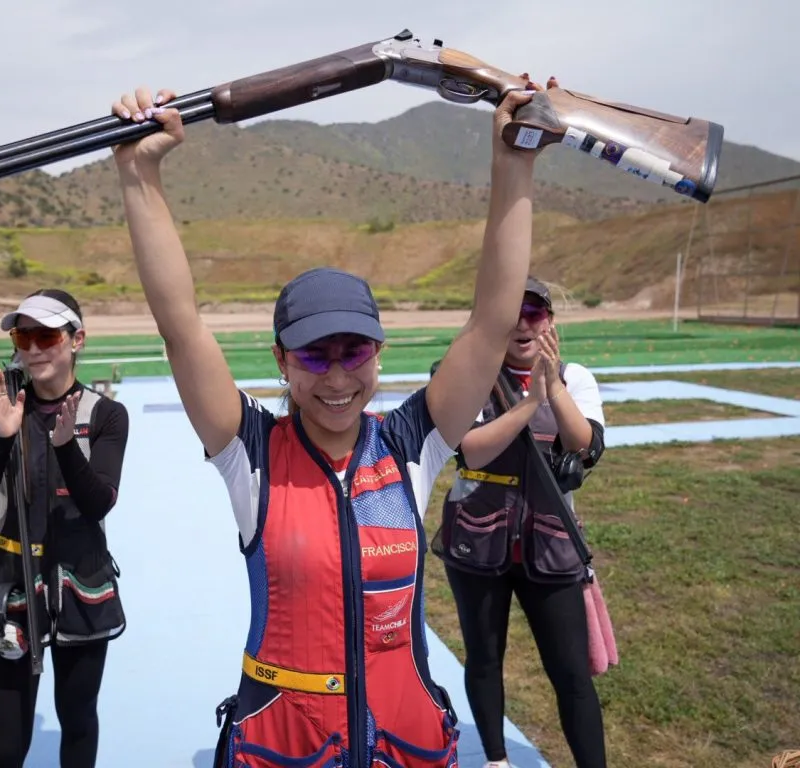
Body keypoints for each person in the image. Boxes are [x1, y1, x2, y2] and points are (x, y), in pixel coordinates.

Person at [110, 75, 552, 768]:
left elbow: (492, 324)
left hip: (404, 746)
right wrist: (140, 174)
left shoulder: (412, 443)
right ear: (282, 361)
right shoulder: (251, 454)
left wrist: (514, 159)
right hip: (287, 751)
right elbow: (181, 327)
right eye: (315, 356)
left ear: (379, 352)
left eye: (355, 352)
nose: (339, 378)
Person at [431, 277, 608, 768]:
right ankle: (495, 759)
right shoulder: (468, 375)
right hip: (476, 541)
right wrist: (532, 403)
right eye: (512, 313)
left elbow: (585, 447)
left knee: (572, 673)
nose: (523, 324)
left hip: (550, 544)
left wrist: (553, 388)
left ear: (550, 321)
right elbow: (471, 449)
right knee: (484, 658)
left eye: (534, 313)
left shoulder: (575, 377)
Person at [0, 288, 130, 768]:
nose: (33, 348)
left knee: (78, 719)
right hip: (9, 585)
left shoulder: (106, 415)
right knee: (4, 749)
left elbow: (99, 504)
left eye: (46, 336)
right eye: (22, 336)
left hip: (81, 583)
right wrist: (1, 438)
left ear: (77, 340)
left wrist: (66, 446)